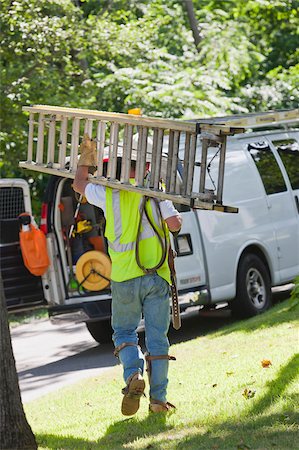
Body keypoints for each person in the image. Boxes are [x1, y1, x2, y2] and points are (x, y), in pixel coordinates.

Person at [73, 134, 182, 416]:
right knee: (158, 337)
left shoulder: (108, 191)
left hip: (123, 276)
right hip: (157, 275)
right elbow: (174, 224)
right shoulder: (154, 189)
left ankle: (133, 376)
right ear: (143, 164)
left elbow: (79, 184)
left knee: (124, 331)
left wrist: (87, 154)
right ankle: (158, 401)